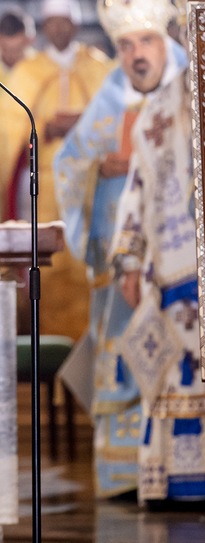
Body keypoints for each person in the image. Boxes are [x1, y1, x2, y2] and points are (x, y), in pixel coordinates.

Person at [54, 0, 186, 498]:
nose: (137, 55)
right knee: (124, 356)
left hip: (179, 261)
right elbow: (70, 164)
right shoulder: (110, 96)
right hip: (120, 265)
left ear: (166, 39)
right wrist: (99, 169)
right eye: (126, 45)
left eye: (146, 41)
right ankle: (125, 473)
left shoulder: (190, 92)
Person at [110, 61, 204, 505]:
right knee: (174, 368)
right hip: (173, 263)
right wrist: (129, 260)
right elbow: (138, 186)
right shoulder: (161, 107)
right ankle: (174, 483)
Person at [0, 0, 114, 339]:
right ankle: (48, 343)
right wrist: (44, 129)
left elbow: (115, 118)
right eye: (53, 23)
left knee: (85, 262)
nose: (59, 29)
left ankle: (90, 347)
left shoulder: (98, 66)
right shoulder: (29, 71)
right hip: (45, 185)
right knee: (48, 264)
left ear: (76, 25)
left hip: (90, 182)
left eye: (66, 22)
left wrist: (80, 123)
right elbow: (8, 129)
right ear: (44, 27)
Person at [0, 11, 33, 220]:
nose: (13, 56)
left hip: (26, 158)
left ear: (28, 40)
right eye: (8, 49)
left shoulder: (38, 69)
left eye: (18, 49)